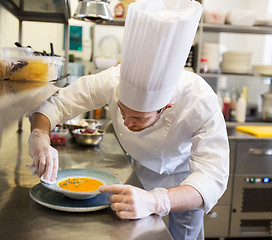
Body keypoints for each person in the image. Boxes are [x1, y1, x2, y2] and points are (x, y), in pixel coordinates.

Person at [28, 0, 229, 239]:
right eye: (122, 110)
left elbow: (213, 177)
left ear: (166, 106)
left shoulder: (200, 100)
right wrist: (39, 135)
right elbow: (57, 104)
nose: (126, 121)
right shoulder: (113, 80)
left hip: (185, 179)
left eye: (138, 117)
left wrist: (158, 200)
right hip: (140, 169)